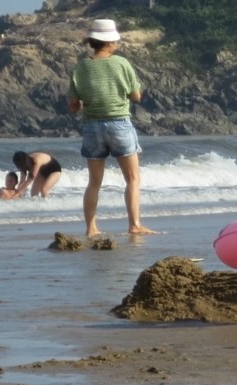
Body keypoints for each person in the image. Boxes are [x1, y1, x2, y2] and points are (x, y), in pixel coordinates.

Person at [67, 18, 154, 237]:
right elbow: (136, 96)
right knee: (132, 179)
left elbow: (73, 105)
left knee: (94, 182)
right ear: (111, 42)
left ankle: (91, 228)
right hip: (118, 123)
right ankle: (134, 224)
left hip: (91, 125)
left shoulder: (81, 66)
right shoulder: (121, 63)